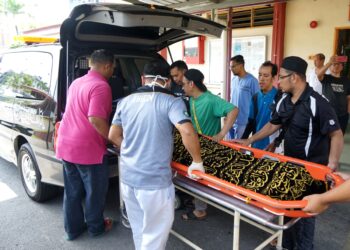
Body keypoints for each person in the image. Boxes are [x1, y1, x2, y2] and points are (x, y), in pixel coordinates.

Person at [232, 56, 344, 250]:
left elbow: (337, 134)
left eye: (281, 77)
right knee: (289, 210)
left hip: (311, 171)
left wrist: (332, 164)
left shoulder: (319, 103)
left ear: (294, 78)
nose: (277, 81)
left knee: (305, 215)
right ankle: (286, 246)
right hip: (289, 164)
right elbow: (273, 124)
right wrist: (249, 140)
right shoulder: (284, 99)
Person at [108, 60, 203, 250]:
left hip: (128, 179)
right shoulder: (171, 102)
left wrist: (133, 150)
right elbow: (187, 131)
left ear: (143, 78)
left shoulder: (125, 101)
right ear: (167, 81)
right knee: (155, 236)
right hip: (154, 182)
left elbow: (113, 136)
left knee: (140, 229)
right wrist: (197, 161)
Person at [55, 49, 115, 240]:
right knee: (94, 192)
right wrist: (113, 139)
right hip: (88, 149)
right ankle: (96, 227)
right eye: (113, 67)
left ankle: (72, 230)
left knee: (72, 192)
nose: (113, 71)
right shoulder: (101, 86)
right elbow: (95, 118)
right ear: (106, 65)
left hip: (66, 145)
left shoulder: (76, 82)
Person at [181, 68, 238, 220]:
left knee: (200, 178)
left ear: (192, 84)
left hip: (208, 147)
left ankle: (200, 210)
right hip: (196, 144)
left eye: (184, 84)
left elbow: (233, 110)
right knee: (196, 177)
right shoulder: (192, 99)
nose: (182, 87)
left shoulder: (210, 100)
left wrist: (221, 134)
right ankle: (198, 203)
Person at [241, 61, 279, 150]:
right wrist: (243, 141)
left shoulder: (279, 97)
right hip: (256, 144)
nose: (261, 79)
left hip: (272, 147)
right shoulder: (255, 97)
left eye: (266, 76)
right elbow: (250, 122)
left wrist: (276, 143)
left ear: (273, 78)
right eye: (260, 75)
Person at [317, 55, 350, 134]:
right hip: (328, 113)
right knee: (327, 134)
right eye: (334, 64)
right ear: (330, 67)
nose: (336, 66)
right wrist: (329, 62)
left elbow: (348, 97)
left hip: (343, 114)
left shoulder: (346, 80)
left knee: (340, 134)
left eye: (339, 64)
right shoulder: (326, 78)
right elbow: (319, 74)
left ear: (342, 67)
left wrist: (348, 112)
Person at [229, 55, 259, 139]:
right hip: (232, 119)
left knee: (240, 148)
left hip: (244, 121)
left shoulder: (252, 81)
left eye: (233, 66)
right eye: (230, 67)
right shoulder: (234, 80)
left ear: (241, 65)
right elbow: (232, 98)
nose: (231, 69)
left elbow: (257, 101)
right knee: (230, 145)